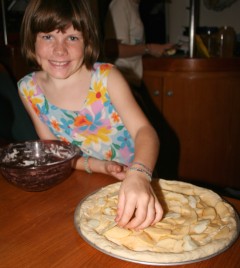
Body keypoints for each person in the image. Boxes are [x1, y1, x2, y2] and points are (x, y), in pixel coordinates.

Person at [17, 0, 163, 230]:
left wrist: (139, 174)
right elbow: (57, 152)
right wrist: (101, 166)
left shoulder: (107, 78)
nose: (59, 49)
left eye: (72, 38)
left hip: (137, 182)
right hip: (88, 182)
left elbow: (145, 132)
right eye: (47, 36)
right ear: (31, 40)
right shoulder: (27, 89)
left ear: (87, 42)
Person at [104, 0, 173, 89]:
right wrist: (149, 49)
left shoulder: (133, 6)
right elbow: (113, 49)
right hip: (120, 81)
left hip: (130, 80)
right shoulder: (121, 4)